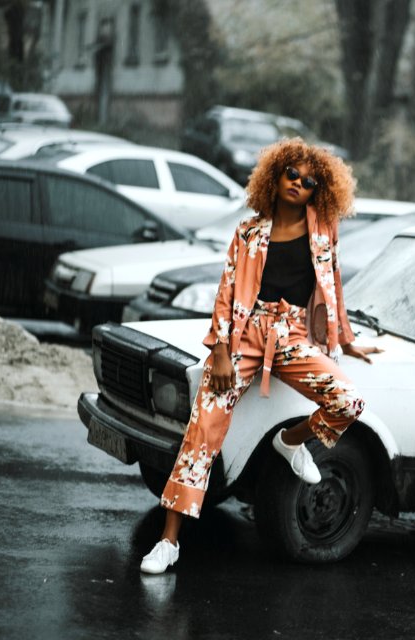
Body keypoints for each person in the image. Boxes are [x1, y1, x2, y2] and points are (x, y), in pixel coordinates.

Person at [140, 138, 381, 574]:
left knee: (348, 401)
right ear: (275, 175)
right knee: (201, 434)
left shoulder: (324, 230)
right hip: (245, 336)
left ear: (318, 189)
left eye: (309, 181)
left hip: (292, 336)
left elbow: (333, 287)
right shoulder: (249, 231)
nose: (299, 184)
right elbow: (227, 291)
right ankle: (168, 541)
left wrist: (345, 342)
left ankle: (290, 443)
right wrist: (218, 349)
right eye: (292, 174)